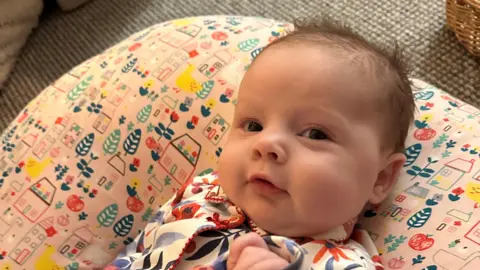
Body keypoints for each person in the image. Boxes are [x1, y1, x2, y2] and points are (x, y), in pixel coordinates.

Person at [105, 17, 415, 270]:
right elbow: (137, 252)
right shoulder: (199, 194)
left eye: (315, 134)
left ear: (380, 177)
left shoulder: (343, 264)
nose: (266, 143)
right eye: (253, 125)